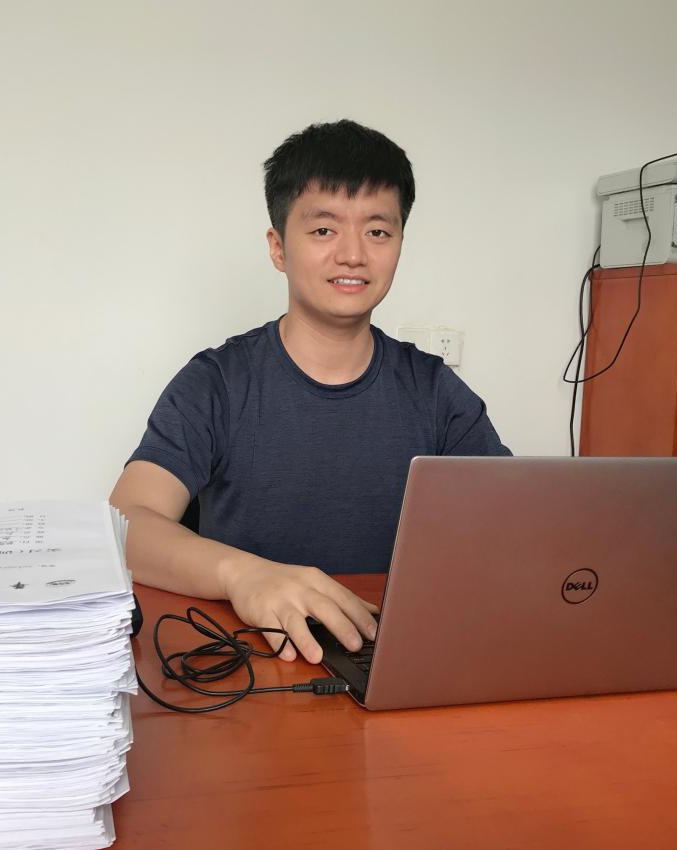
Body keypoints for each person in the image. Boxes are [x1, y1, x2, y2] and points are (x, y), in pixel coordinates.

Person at [110, 119, 511, 664]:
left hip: (390, 657)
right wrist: (243, 575)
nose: (353, 254)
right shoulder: (217, 383)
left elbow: (513, 524)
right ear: (278, 248)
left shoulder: (435, 391)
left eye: (378, 232)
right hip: (253, 662)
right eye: (324, 230)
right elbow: (126, 522)